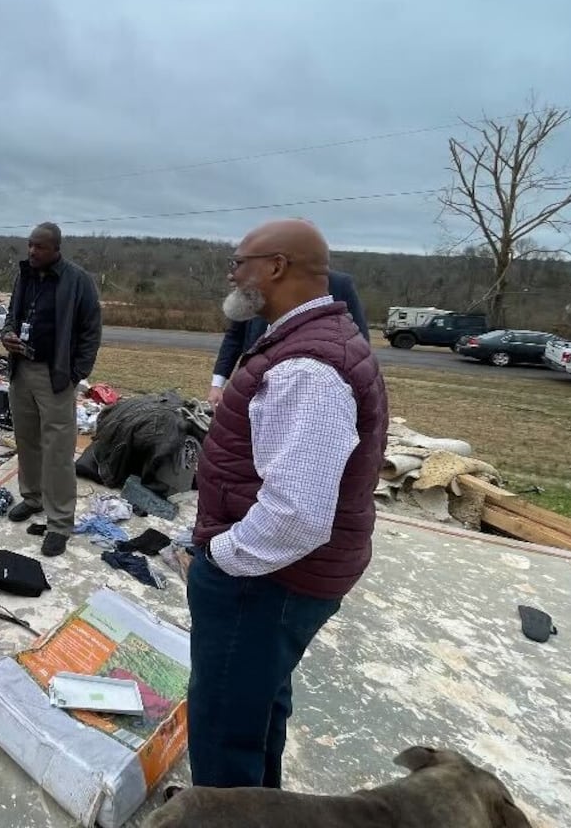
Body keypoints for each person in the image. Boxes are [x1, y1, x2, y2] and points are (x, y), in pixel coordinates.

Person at [187, 218, 388, 789]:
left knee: (224, 727)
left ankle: (229, 812)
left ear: (276, 267)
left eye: (239, 262)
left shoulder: (308, 369)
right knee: (256, 709)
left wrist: (221, 557)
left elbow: (296, 515)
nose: (232, 274)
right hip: (282, 581)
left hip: (266, 583)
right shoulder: (309, 340)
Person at [0, 223, 103, 557]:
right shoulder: (24, 275)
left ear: (56, 249)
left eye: (40, 247)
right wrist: (7, 335)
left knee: (57, 449)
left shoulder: (77, 281)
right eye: (30, 245)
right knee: (27, 439)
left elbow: (91, 330)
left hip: (55, 374)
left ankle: (59, 523)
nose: (32, 251)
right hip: (21, 370)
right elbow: (11, 316)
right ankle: (32, 498)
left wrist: (76, 373)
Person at [208, 270, 369, 406]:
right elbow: (235, 336)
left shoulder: (338, 284)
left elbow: (358, 342)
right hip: (254, 387)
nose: (231, 275)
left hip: (313, 394)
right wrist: (217, 385)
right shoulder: (255, 283)